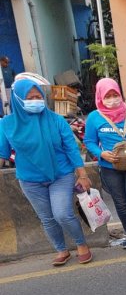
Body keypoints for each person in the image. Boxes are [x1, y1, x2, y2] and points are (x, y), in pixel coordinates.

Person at [0, 77, 93, 266]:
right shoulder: (7, 124)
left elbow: (71, 149)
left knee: (62, 214)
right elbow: (2, 153)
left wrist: (82, 174)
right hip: (30, 180)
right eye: (30, 97)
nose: (36, 101)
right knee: (47, 218)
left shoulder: (56, 120)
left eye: (38, 96)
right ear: (18, 99)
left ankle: (81, 244)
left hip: (61, 174)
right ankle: (61, 249)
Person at [84, 78, 126, 249]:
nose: (112, 99)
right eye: (107, 96)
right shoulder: (94, 117)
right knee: (121, 204)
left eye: (115, 95)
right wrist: (102, 154)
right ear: (100, 97)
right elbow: (89, 141)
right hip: (110, 167)